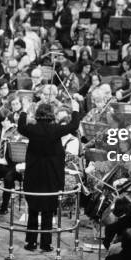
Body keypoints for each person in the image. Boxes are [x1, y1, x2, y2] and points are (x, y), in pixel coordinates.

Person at [17, 99, 81, 251]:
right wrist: (76, 110)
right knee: (48, 211)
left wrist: (24, 110)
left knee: (33, 209)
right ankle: (46, 244)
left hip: (34, 178)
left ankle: (30, 243)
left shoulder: (32, 129)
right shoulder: (56, 129)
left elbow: (20, 126)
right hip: (52, 178)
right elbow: (74, 125)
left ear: (38, 115)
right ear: (52, 116)